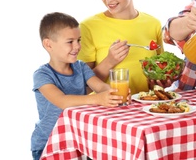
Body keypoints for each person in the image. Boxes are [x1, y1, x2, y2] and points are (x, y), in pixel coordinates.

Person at [31, 12, 130, 160]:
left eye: (79, 40)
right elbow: (63, 101)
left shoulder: (81, 67)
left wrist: (113, 93)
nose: (77, 46)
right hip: (50, 143)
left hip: (78, 140)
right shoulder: (42, 75)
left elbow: (100, 87)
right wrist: (98, 99)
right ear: (48, 44)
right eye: (70, 41)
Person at [77, 0, 165, 94]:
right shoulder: (88, 27)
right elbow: (82, 87)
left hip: (146, 107)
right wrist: (109, 61)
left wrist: (161, 81)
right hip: (108, 109)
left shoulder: (153, 24)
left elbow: (160, 76)